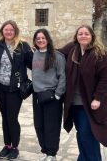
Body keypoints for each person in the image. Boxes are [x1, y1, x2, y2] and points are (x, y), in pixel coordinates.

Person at [59, 25, 107, 161]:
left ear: (92, 36)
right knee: (81, 133)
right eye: (80, 34)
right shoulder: (72, 49)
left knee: (88, 133)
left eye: (86, 34)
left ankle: (92, 159)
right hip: (74, 102)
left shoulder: (100, 53)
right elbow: (57, 53)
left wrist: (98, 98)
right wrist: (41, 49)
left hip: (90, 103)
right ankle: (83, 158)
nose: (83, 36)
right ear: (76, 36)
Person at [0, 20, 33, 160]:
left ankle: (14, 147)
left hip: (15, 89)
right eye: (6, 29)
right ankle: (7, 145)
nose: (8, 32)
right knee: (4, 117)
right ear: (2, 31)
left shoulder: (22, 46)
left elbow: (33, 63)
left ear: (15, 31)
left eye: (11, 30)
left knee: (12, 118)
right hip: (0, 87)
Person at [32, 29, 66, 161]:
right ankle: (45, 151)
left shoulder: (57, 56)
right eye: (38, 38)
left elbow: (62, 76)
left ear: (48, 39)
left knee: (51, 126)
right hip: (37, 95)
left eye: (43, 38)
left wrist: (57, 95)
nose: (40, 40)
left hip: (52, 96)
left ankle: (52, 153)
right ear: (35, 41)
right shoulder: (34, 54)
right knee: (39, 125)